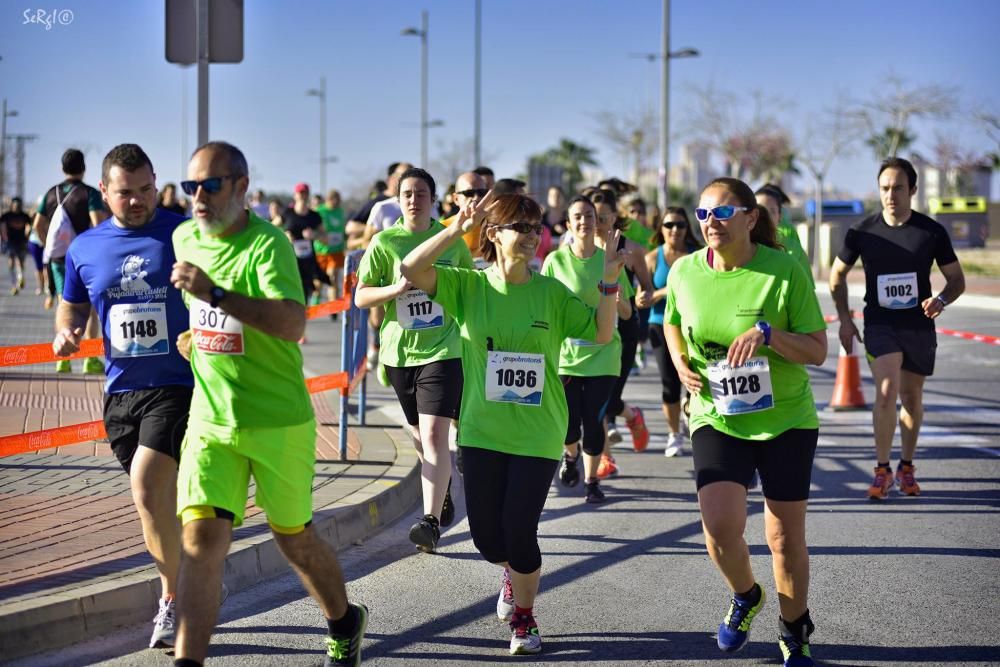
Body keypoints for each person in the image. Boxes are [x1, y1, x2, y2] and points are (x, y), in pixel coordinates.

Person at [169, 141, 367, 667]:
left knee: (294, 541)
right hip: (211, 421)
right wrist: (195, 336)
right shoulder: (184, 236)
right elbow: (206, 323)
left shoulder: (268, 245)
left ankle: (344, 620)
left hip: (277, 420)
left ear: (240, 187)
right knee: (200, 542)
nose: (198, 198)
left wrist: (216, 297)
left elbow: (292, 323)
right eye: (191, 187)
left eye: (210, 186)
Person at [400, 191, 622, 656]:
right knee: (486, 536)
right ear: (494, 233)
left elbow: (602, 333)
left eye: (536, 227)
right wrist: (455, 227)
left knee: (520, 531)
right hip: (482, 434)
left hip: (538, 435)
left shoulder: (550, 291)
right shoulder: (469, 287)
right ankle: (512, 572)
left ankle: (525, 618)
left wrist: (608, 283)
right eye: (520, 227)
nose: (531, 236)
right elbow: (412, 270)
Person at [664, 177, 827, 666]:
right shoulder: (685, 271)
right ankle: (746, 594)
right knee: (718, 526)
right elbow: (673, 318)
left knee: (783, 537)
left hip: (786, 419)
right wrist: (678, 361)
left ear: (750, 218)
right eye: (703, 214)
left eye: (722, 213)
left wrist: (769, 334)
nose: (710, 223)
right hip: (718, 413)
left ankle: (794, 629)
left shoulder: (783, 271)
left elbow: (818, 350)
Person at [51, 144, 193, 649]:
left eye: (146, 190)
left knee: (147, 486)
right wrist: (65, 334)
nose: (137, 201)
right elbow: (70, 309)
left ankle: (172, 600)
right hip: (120, 393)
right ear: (104, 192)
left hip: (178, 384)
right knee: (157, 504)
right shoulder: (86, 248)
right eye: (126, 193)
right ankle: (189, 567)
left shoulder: (183, 233)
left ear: (156, 182)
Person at [829, 157, 965, 501]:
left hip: (918, 325)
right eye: (885, 188)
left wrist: (941, 301)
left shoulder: (931, 232)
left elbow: (956, 281)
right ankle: (882, 469)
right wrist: (845, 320)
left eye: (898, 188)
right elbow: (836, 277)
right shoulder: (862, 231)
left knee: (912, 398)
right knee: (886, 391)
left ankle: (906, 465)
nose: (891, 195)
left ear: (913, 190)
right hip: (880, 323)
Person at [355, 167, 472, 552]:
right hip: (399, 352)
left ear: (433, 199)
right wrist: (396, 289)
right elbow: (361, 297)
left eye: (421, 193)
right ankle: (443, 490)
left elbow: (468, 294)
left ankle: (430, 522)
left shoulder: (452, 241)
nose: (413, 199)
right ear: (397, 198)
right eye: (407, 193)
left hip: (443, 349)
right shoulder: (385, 242)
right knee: (421, 439)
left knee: (437, 435)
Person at [542, 195, 629, 503]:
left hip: (603, 356)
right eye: (577, 216)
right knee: (568, 422)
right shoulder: (555, 261)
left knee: (593, 420)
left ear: (597, 222)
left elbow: (628, 312)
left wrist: (614, 297)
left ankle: (592, 480)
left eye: (589, 216)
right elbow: (546, 307)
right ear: (568, 224)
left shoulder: (609, 258)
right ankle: (570, 454)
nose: (583, 221)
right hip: (566, 357)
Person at [591, 189, 653, 474]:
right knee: (595, 396)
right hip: (590, 326)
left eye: (603, 217)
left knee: (610, 396)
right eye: (593, 216)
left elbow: (646, 286)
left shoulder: (633, 249)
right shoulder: (579, 249)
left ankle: (631, 415)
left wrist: (643, 296)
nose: (597, 222)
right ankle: (604, 456)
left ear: (614, 217)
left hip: (624, 327)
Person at [33, 148, 107, 372]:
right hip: (85, 258)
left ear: (62, 168)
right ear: (83, 169)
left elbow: (37, 225)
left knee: (63, 303)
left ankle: (63, 358)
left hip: (57, 258)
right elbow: (98, 223)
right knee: (91, 308)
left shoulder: (50, 193)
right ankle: (90, 359)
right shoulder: (90, 194)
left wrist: (50, 245)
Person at [645, 207, 701, 457]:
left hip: (693, 325)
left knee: (695, 381)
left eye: (680, 224)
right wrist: (652, 296)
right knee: (669, 383)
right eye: (669, 225)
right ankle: (674, 435)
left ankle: (694, 415)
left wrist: (663, 291)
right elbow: (642, 297)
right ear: (661, 229)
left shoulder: (698, 256)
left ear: (687, 228)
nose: (674, 230)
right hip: (660, 324)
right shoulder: (651, 258)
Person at [755, 183, 812, 286]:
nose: (765, 215)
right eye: (760, 209)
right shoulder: (740, 245)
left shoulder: (793, 248)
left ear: (780, 215)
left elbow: (806, 288)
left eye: (772, 211)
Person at [282, 182, 325, 308]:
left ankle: (301, 314)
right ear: (295, 195)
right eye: (300, 193)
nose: (303, 196)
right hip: (289, 257)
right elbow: (272, 226)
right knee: (291, 286)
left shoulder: (314, 216)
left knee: (305, 290)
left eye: (305, 193)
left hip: (307, 258)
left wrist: (314, 235)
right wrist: (285, 235)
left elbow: (326, 238)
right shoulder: (287, 213)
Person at [440, 171, 489, 261]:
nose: (476, 198)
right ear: (456, 199)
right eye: (469, 193)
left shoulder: (497, 225)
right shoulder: (441, 228)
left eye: (481, 192)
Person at [315, 189, 348, 303]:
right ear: (329, 199)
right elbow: (315, 229)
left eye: (339, 200)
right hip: (322, 251)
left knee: (332, 277)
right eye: (335, 200)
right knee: (319, 281)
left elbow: (343, 229)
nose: (337, 202)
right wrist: (321, 236)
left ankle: (333, 305)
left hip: (336, 250)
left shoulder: (340, 211)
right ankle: (316, 297)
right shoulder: (320, 211)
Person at [1, 196, 31, 295]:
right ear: (12, 205)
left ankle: (21, 277)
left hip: (21, 241)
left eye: (18, 205)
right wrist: (4, 237)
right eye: (15, 205)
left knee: (20, 262)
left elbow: (29, 225)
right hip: (10, 242)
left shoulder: (24, 216)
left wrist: (28, 233)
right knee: (11, 262)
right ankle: (14, 285)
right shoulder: (6, 216)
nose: (17, 207)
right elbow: (2, 226)